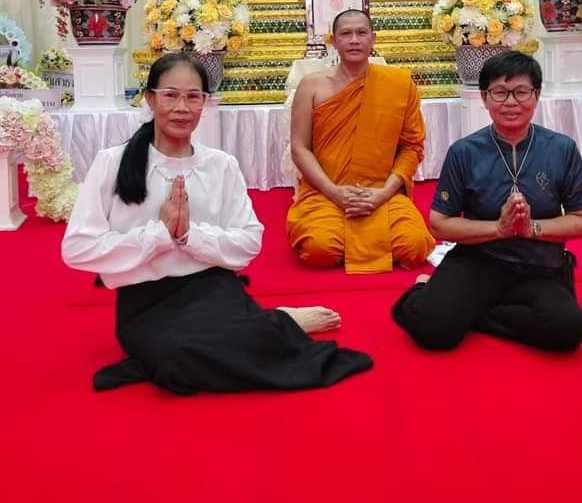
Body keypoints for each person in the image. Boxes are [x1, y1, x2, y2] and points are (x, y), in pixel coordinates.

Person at [62, 53, 372, 395]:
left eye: (193, 97)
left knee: (223, 346)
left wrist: (189, 236)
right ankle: (274, 323)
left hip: (213, 290)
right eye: (170, 95)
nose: (182, 107)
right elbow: (78, 248)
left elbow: (249, 242)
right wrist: (159, 235)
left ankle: (269, 322)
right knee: (178, 360)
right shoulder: (112, 163)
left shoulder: (220, 165)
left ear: (204, 103)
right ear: (149, 99)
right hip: (146, 304)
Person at [392, 51, 582, 353]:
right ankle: (423, 290)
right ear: (484, 98)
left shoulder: (561, 149)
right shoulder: (464, 152)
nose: (511, 102)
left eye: (521, 92)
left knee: (568, 329)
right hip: (478, 260)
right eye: (500, 92)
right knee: (432, 330)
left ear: (536, 95)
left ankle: (471, 313)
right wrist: (498, 229)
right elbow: (439, 224)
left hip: (539, 264)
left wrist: (531, 228)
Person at [286, 8, 434, 274]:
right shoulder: (312, 85)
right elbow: (300, 148)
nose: (354, 40)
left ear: (372, 38)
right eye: (346, 33)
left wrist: (383, 194)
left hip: (380, 191)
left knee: (414, 247)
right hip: (325, 191)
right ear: (334, 40)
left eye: (361, 33)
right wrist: (334, 192)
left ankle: (353, 242)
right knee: (319, 248)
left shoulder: (399, 84)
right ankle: (356, 240)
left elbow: (411, 147)